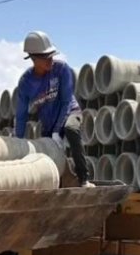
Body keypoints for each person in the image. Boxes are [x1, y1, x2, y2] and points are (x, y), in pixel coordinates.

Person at [14, 30, 93, 188]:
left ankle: (84, 178)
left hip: (70, 111)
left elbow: (65, 101)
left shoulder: (62, 69)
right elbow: (21, 115)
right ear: (34, 58)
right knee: (48, 152)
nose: (50, 60)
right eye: (46, 57)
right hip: (49, 122)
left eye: (51, 55)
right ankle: (59, 183)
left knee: (70, 129)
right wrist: (18, 140)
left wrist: (58, 130)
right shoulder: (26, 82)